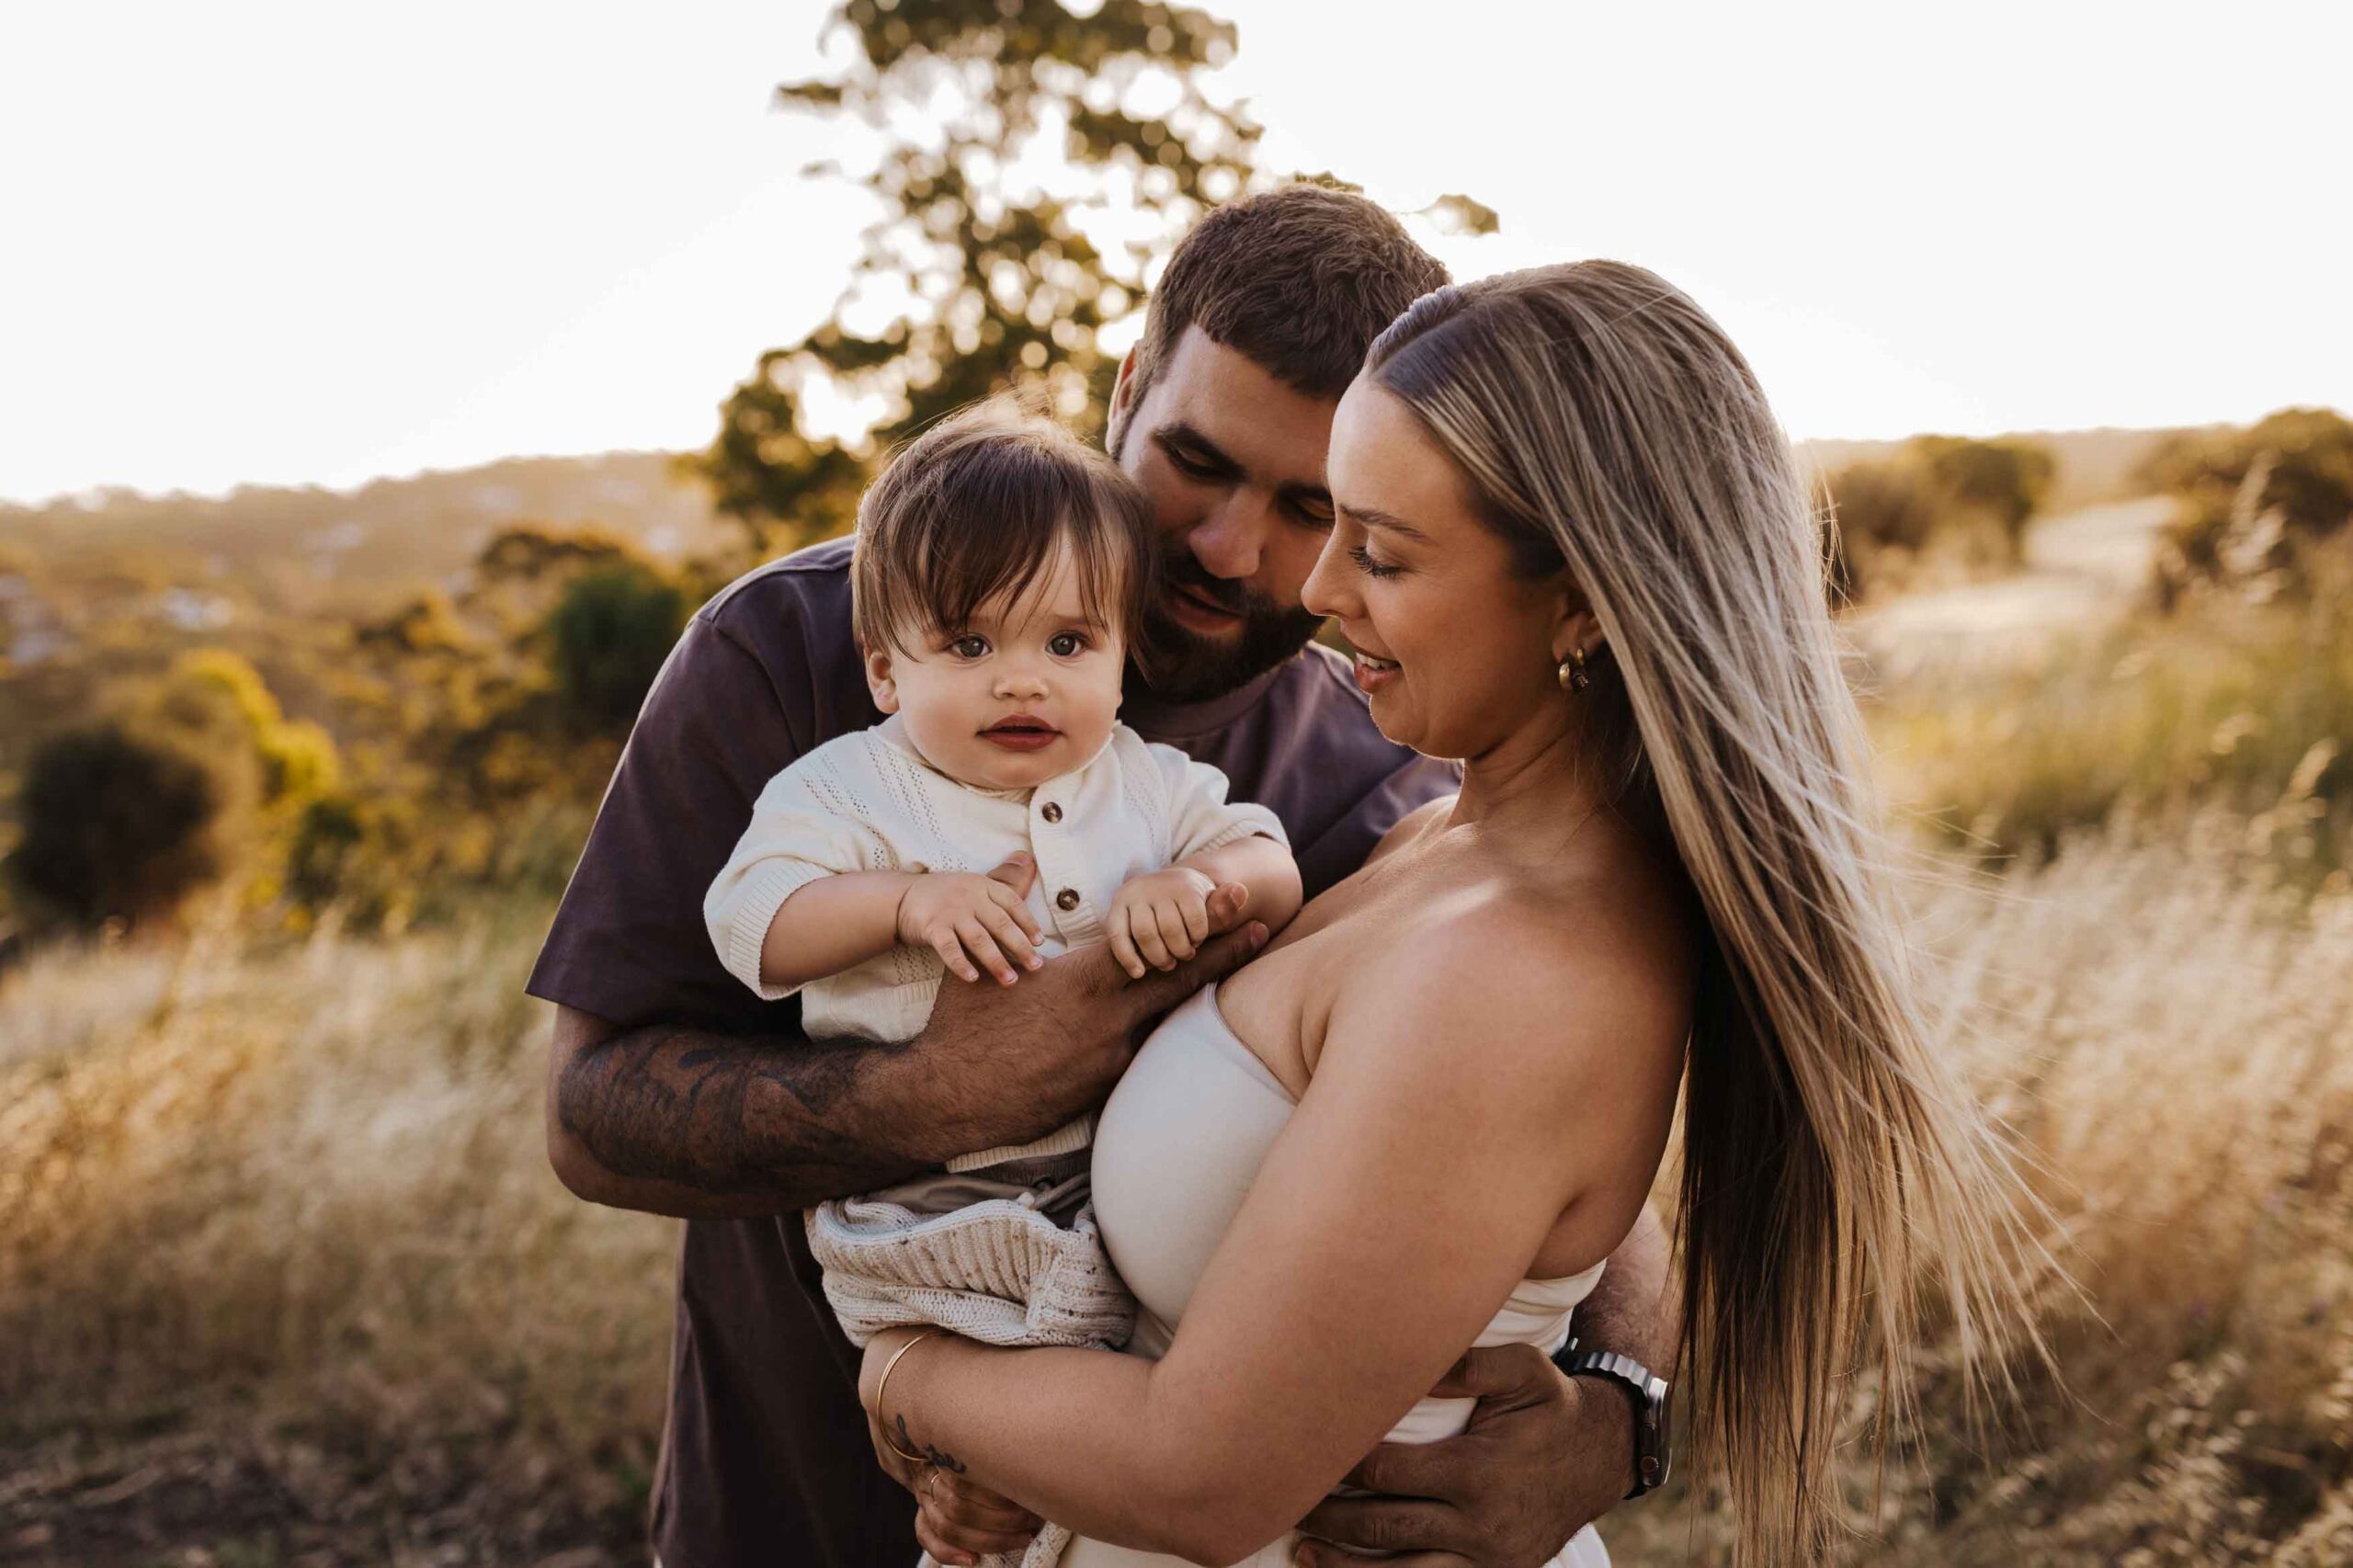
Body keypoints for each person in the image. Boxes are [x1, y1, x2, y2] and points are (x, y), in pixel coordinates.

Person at [532, 186, 1678, 1568]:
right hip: (797, 1507)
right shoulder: (797, 655)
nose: (1231, 548)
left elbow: (1536, 1124)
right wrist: (943, 1090)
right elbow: (592, 1117)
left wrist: (1620, 1413)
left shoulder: (1370, 763)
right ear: (1128, 387)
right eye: (1196, 461)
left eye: (1315, 505)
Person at [848, 262, 2037, 1567]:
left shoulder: (1521, 966)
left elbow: (1203, 1479)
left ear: (1582, 597)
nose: (1317, 590)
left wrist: (906, 1371)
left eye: (1384, 551)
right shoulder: (1438, 837)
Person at [701, 402, 1301, 1568]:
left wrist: (1201, 883)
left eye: (1068, 645)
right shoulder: (849, 791)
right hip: (930, 1220)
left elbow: (1269, 860)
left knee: (1134, 1430)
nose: (1021, 683)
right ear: (885, 667)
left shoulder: (1149, 781)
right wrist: (904, 900)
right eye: (972, 646)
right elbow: (752, 923)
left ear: (1123, 655)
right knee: (986, 1441)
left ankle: (995, 1514)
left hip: (1108, 1210)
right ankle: (967, 1508)